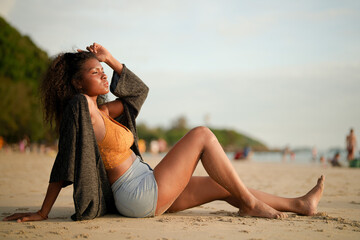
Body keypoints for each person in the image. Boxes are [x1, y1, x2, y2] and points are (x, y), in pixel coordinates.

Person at [3, 43, 324, 223]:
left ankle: (299, 205)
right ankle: (252, 205)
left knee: (222, 184)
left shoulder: (103, 111)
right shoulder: (82, 108)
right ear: (76, 83)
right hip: (136, 193)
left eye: (102, 71)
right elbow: (66, 156)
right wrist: (43, 211)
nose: (102, 75)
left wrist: (110, 59)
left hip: (145, 182)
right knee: (201, 134)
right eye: (94, 72)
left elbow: (138, 93)